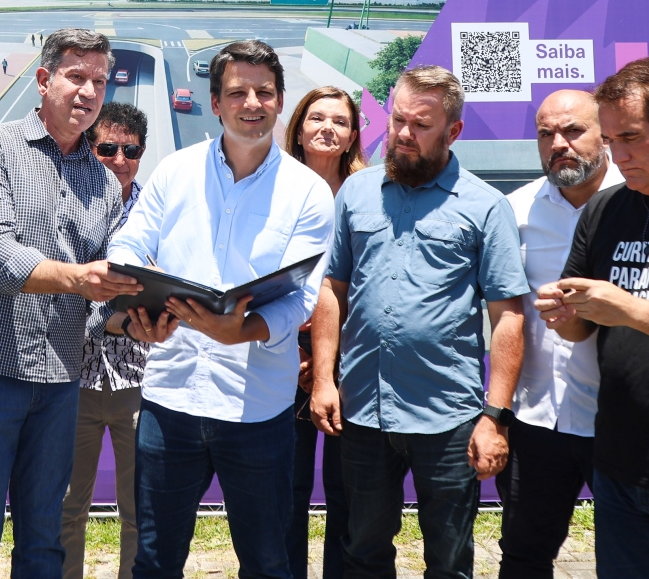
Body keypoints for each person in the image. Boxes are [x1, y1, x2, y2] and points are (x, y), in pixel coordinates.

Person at [109, 41, 335, 579]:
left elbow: (303, 297)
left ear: (281, 102)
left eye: (264, 92)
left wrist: (245, 330)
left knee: (267, 562)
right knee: (156, 561)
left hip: (257, 409)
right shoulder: (175, 172)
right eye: (237, 92)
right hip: (170, 399)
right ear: (216, 103)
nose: (250, 102)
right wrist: (135, 296)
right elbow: (129, 244)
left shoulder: (308, 192)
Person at [311, 65, 529, 579]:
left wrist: (494, 416)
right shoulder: (356, 194)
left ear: (453, 132)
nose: (403, 134)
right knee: (362, 552)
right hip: (364, 410)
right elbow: (331, 291)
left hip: (449, 417)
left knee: (450, 559)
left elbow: (507, 317)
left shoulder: (484, 207)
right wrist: (324, 379)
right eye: (398, 120)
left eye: (421, 125)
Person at [0, 29, 139, 579]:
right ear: (45, 80)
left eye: (99, 81)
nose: (89, 91)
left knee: (44, 546)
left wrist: (138, 318)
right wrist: (83, 280)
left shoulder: (103, 181)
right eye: (77, 77)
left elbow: (101, 302)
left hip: (58, 383)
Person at [500, 90, 623, 578]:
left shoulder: (636, 202)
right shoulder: (517, 210)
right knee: (525, 557)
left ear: (604, 133)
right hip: (539, 417)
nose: (559, 144)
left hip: (619, 422)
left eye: (573, 131)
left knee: (628, 557)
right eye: (546, 133)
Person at [536, 59, 649, 578]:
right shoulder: (606, 210)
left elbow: (622, 310)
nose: (618, 154)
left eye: (632, 137)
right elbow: (585, 326)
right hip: (622, 459)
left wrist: (627, 308)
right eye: (612, 139)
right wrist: (567, 314)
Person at [62, 102, 149, 579]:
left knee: (140, 510)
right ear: (89, 148)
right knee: (67, 506)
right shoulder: (66, 206)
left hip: (141, 379)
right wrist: (114, 318)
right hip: (72, 379)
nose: (120, 159)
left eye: (131, 150)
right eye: (108, 148)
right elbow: (65, 291)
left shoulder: (157, 214)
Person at [283, 88, 367, 579]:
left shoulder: (367, 192)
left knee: (346, 490)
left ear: (354, 134)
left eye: (340, 120)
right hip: (281, 358)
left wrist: (329, 360)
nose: (327, 128)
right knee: (286, 490)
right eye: (317, 117)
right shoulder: (271, 187)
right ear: (298, 126)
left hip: (348, 363)